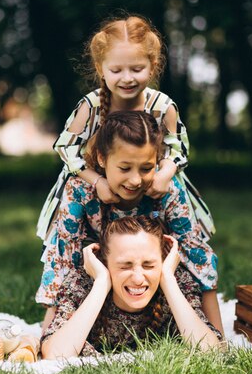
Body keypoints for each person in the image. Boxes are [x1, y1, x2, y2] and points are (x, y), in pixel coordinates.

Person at [37, 111, 224, 336]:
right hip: (100, 279)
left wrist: (218, 334)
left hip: (151, 284)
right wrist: (47, 334)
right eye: (124, 168)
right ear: (102, 159)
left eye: (146, 168)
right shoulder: (80, 190)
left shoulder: (168, 189)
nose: (135, 180)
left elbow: (196, 253)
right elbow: (64, 256)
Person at [36, 14, 214, 248]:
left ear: (152, 67)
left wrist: (163, 175)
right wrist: (98, 181)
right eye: (117, 70)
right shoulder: (91, 106)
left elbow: (178, 148)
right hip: (98, 186)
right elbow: (66, 147)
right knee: (81, 234)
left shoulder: (162, 107)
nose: (127, 78)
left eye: (137, 69)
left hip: (151, 185)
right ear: (101, 69)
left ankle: (181, 272)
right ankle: (76, 273)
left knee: (173, 234)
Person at [41, 216, 222, 359]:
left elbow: (211, 351)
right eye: (125, 266)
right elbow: (57, 354)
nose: (137, 278)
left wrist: (167, 278)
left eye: (149, 265)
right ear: (103, 262)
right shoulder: (82, 282)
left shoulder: (176, 281)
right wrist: (102, 282)